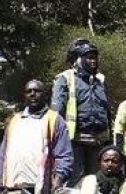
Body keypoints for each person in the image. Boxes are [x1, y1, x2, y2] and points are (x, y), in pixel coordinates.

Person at [0, 79, 73, 194]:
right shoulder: (15, 120)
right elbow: (2, 156)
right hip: (11, 191)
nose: (32, 94)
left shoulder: (54, 120)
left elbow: (64, 156)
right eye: (28, 91)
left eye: (37, 91)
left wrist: (57, 181)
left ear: (45, 95)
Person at [52, 39, 110, 183]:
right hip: (74, 142)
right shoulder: (65, 79)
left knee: (95, 183)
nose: (93, 61)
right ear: (78, 60)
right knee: (74, 181)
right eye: (89, 57)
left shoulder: (100, 80)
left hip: (97, 142)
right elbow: (56, 112)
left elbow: (107, 111)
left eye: (95, 57)